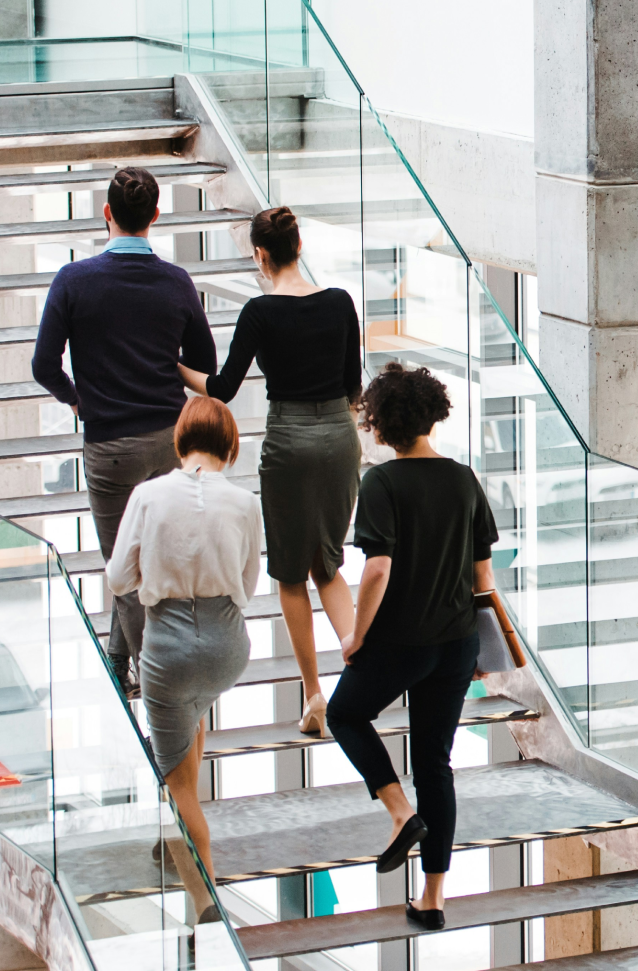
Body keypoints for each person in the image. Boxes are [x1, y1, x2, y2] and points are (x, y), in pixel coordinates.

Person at [325, 363, 499, 932]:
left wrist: (355, 636)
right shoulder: (464, 479)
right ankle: (432, 900)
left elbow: (376, 570)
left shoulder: (382, 484)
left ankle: (401, 815)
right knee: (435, 765)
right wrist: (482, 652)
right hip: (455, 645)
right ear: (432, 414)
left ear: (381, 424)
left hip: (402, 642)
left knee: (344, 713)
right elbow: (484, 581)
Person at [32, 167, 217, 696]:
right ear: (155, 217)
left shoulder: (73, 280)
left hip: (109, 446)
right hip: (168, 440)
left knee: (124, 568)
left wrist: (78, 399)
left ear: (107, 213)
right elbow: (203, 363)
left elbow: (45, 365)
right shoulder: (176, 282)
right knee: (153, 556)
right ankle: (120, 663)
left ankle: (152, 678)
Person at [178, 206, 361, 736]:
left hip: (288, 442)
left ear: (261, 255)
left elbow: (223, 388)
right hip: (338, 438)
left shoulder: (259, 312)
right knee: (329, 564)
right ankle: (357, 670)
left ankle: (312, 695)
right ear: (298, 246)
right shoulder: (340, 303)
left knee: (289, 572)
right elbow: (352, 385)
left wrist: (173, 365)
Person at [106, 396, 262, 922]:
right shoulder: (244, 503)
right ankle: (181, 853)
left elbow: (118, 580)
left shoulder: (148, 496)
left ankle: (205, 900)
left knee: (178, 787)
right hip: (226, 647)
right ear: (231, 444)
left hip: (168, 646)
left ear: (180, 441)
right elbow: (247, 585)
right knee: (192, 717)